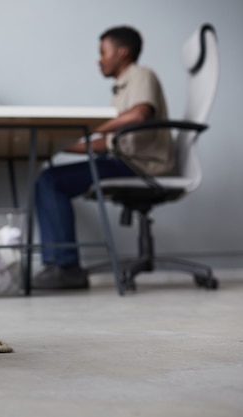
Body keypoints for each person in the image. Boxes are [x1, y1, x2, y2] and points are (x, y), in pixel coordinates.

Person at [33, 26, 174, 290]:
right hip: (122, 161)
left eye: (103, 52)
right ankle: (57, 265)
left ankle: (65, 267)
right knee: (49, 177)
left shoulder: (142, 75)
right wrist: (58, 147)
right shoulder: (119, 91)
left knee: (52, 181)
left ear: (122, 52)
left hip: (140, 166)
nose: (99, 59)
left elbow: (139, 115)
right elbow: (104, 144)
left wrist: (91, 127)